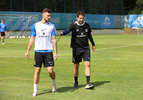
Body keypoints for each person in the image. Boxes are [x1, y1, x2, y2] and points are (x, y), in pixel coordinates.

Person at [25, 8, 58, 97]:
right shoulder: (35, 26)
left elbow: (54, 39)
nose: (49, 17)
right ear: (43, 14)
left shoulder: (52, 26)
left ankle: (54, 83)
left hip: (48, 51)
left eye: (50, 16)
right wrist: (28, 51)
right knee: (37, 70)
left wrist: (55, 52)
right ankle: (35, 91)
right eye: (48, 15)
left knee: (50, 71)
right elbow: (32, 38)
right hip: (38, 51)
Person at [59, 11, 96, 89]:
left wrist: (93, 44)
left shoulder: (87, 25)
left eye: (82, 18)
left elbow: (89, 35)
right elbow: (67, 31)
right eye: (80, 18)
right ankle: (76, 81)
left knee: (87, 64)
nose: (81, 19)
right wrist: (62, 33)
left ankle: (88, 82)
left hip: (85, 48)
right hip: (76, 49)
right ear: (77, 17)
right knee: (76, 65)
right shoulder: (73, 25)